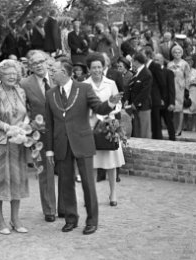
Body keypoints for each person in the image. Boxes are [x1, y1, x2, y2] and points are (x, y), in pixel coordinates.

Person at [45, 59, 120, 235]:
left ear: (64, 72)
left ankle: (92, 221)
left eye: (53, 70)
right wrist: (49, 149)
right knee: (66, 182)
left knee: (88, 183)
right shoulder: (50, 94)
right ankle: (71, 219)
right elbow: (49, 124)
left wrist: (110, 103)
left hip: (82, 142)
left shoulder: (84, 89)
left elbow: (99, 108)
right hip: (62, 144)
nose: (51, 73)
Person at [0, 59, 29, 235]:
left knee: (16, 179)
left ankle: (15, 219)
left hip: (17, 142)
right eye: (8, 73)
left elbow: (24, 113)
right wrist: (6, 127)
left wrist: (25, 125)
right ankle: (0, 219)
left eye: (14, 74)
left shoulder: (21, 91)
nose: (12, 76)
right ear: (0, 75)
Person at [19, 50, 57, 223]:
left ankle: (65, 207)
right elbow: (21, 109)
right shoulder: (25, 84)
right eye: (34, 64)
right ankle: (49, 210)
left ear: (47, 61)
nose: (39, 66)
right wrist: (30, 123)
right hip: (39, 135)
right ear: (30, 67)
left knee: (65, 171)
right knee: (45, 173)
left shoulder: (58, 78)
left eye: (41, 62)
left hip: (62, 132)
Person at [84, 53, 125, 206]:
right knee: (91, 162)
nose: (96, 70)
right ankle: (91, 195)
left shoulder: (111, 83)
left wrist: (111, 113)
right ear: (89, 69)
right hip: (91, 125)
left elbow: (118, 103)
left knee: (111, 161)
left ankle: (113, 192)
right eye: (93, 67)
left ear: (103, 68)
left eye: (99, 67)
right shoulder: (84, 84)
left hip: (109, 125)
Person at [124, 52, 153, 138]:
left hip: (143, 106)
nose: (132, 62)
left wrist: (135, 103)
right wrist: (128, 100)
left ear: (136, 61)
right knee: (137, 130)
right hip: (135, 106)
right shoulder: (137, 72)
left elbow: (145, 92)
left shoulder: (146, 73)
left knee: (144, 130)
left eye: (132, 60)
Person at [144, 47, 167, 140]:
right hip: (149, 98)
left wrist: (162, 98)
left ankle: (158, 140)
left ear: (148, 55)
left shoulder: (155, 66)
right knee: (152, 121)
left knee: (156, 121)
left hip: (155, 97)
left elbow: (162, 83)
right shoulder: (145, 66)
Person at [167, 45, 190, 136]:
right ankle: (173, 128)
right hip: (171, 88)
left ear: (181, 53)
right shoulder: (169, 64)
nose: (177, 54)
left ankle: (179, 129)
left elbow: (188, 77)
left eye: (179, 52)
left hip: (181, 88)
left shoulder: (184, 64)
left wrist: (187, 89)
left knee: (180, 109)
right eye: (175, 52)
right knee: (172, 108)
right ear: (172, 54)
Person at [153, 53, 176, 141]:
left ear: (162, 61)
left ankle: (172, 139)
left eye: (158, 60)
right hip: (156, 103)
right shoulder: (152, 72)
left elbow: (171, 89)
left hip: (167, 103)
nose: (156, 62)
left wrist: (172, 103)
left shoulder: (168, 72)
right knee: (157, 124)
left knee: (169, 122)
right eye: (154, 60)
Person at [183, 55, 196, 132]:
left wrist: (195, 83)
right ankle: (185, 125)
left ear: (192, 62)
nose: (188, 63)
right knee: (185, 107)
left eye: (190, 61)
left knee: (194, 108)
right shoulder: (182, 71)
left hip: (194, 90)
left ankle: (194, 126)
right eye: (187, 62)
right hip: (185, 90)